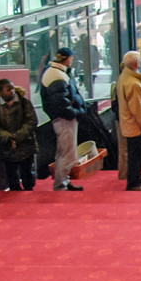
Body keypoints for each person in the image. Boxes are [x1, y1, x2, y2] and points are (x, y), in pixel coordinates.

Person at [39, 47, 88, 191]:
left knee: (64, 152)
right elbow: (61, 104)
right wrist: (77, 112)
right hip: (64, 120)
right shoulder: (57, 75)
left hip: (63, 118)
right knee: (66, 153)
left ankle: (63, 181)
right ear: (67, 59)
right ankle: (61, 184)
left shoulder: (55, 73)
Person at [0, 78, 38, 191]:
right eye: (8, 89)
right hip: (7, 148)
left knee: (28, 173)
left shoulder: (24, 103)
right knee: (12, 176)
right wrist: (8, 137)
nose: (12, 91)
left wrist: (18, 136)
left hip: (26, 145)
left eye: (12, 88)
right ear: (1, 92)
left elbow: (31, 121)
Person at [116, 51, 141, 191]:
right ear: (137, 63)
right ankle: (134, 182)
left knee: (135, 154)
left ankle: (136, 178)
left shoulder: (124, 77)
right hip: (136, 125)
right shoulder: (133, 83)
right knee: (136, 155)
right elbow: (139, 109)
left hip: (129, 123)